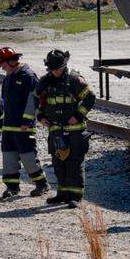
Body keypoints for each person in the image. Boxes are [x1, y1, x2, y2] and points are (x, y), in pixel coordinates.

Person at [36, 50, 95, 207]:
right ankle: (62, 194)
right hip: (55, 130)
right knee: (58, 162)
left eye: (58, 69)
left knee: (74, 163)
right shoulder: (45, 81)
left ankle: (75, 196)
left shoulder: (75, 79)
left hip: (75, 130)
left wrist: (78, 115)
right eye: (52, 69)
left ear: (64, 65)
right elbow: (39, 101)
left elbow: (90, 98)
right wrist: (40, 117)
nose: (55, 72)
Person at [0, 46, 48, 199]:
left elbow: (33, 101)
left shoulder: (28, 76)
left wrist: (27, 121)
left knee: (28, 157)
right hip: (9, 125)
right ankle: (12, 187)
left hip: (23, 127)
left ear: (11, 62)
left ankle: (42, 184)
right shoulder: (9, 77)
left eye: (3, 65)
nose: (2, 68)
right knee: (8, 157)